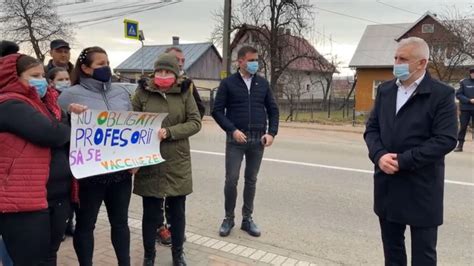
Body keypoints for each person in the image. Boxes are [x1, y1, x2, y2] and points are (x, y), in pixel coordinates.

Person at [364, 37, 458, 265]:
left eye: (403, 59)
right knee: (392, 252)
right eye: (395, 57)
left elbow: (445, 139)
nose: (397, 62)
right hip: (388, 185)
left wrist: (404, 161)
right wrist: (379, 156)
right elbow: (372, 130)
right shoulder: (386, 91)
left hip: (421, 187)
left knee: (423, 256)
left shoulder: (441, 94)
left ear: (422, 63)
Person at [0, 53, 85, 266]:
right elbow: (52, 134)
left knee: (49, 253)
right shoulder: (9, 104)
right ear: (14, 77)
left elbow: (61, 129)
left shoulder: (47, 103)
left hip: (56, 194)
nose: (41, 81)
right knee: (30, 259)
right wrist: (70, 125)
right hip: (24, 201)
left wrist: (70, 117)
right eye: (34, 75)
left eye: (42, 76)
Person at [58, 46, 134, 266]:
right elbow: (58, 128)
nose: (106, 67)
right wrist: (69, 114)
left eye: (107, 62)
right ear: (85, 68)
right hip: (89, 174)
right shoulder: (69, 95)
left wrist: (137, 159)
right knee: (85, 225)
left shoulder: (120, 92)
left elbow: (131, 130)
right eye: (100, 64)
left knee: (120, 223)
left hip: (120, 172)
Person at [132, 53, 201, 266]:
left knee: (177, 212)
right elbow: (131, 122)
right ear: (154, 72)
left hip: (176, 160)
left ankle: (178, 254)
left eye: (168, 72)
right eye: (160, 71)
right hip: (148, 159)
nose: (163, 75)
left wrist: (170, 132)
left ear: (175, 74)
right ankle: (148, 255)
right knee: (150, 212)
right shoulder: (142, 92)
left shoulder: (184, 92)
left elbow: (195, 122)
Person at [212, 46, 279, 238]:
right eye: (250, 60)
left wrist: (272, 133)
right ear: (240, 61)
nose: (254, 63)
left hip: (258, 140)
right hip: (236, 140)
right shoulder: (228, 84)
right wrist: (232, 130)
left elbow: (273, 110)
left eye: (256, 60)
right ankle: (228, 218)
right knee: (231, 180)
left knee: (251, 180)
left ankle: (247, 219)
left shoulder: (263, 84)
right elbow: (217, 111)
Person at [166, 47, 206, 118]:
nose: (180, 64)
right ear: (164, 59)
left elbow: (199, 109)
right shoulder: (148, 85)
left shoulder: (187, 84)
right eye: (177, 60)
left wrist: (188, 126)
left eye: (183, 61)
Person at [454, 67, 474, 152]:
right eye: (472, 72)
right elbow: (458, 94)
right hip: (465, 108)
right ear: (470, 73)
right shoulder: (464, 82)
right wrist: (469, 100)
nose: (473, 74)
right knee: (463, 127)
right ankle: (460, 145)